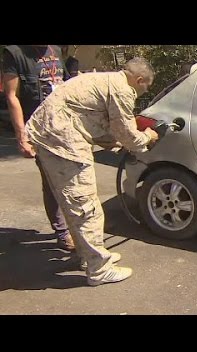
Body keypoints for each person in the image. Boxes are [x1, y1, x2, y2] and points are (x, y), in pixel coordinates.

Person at [25, 57, 160, 286]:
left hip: (51, 138)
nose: (142, 92)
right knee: (85, 206)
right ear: (139, 80)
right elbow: (128, 134)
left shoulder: (105, 80)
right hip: (63, 144)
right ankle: (99, 269)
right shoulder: (122, 90)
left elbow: (97, 122)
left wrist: (116, 142)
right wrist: (148, 137)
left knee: (74, 206)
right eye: (145, 87)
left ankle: (89, 257)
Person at [2, 45, 75, 251]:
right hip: (39, 129)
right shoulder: (15, 53)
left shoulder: (55, 50)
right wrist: (22, 136)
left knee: (72, 179)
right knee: (52, 180)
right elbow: (12, 95)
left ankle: (76, 227)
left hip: (64, 125)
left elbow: (67, 88)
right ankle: (62, 232)